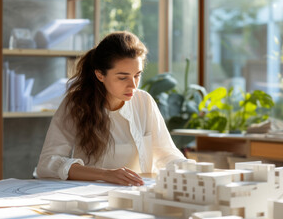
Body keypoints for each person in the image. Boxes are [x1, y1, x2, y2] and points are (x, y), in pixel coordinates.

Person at [36, 31, 186, 186]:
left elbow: (166, 154)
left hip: (136, 193)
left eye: (137, 75)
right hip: (90, 195)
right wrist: (106, 175)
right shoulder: (76, 104)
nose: (133, 85)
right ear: (100, 75)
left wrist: (193, 170)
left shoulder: (144, 101)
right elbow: (48, 163)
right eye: (123, 77)